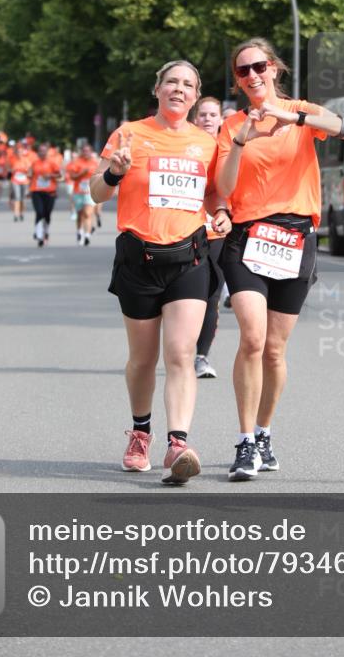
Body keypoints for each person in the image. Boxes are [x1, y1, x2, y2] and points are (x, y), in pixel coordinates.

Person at [216, 37, 344, 481]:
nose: (253, 76)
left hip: (296, 237)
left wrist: (290, 115)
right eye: (243, 71)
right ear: (238, 81)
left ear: (274, 68)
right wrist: (241, 140)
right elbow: (223, 186)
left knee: (275, 351)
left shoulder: (301, 112)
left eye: (258, 66)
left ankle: (263, 433)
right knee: (253, 339)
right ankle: (243, 444)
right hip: (248, 237)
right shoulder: (231, 125)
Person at [90, 60, 231, 485]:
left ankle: (178, 443)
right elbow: (96, 192)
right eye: (172, 81)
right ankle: (140, 432)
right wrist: (115, 170)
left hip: (188, 257)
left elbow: (213, 193)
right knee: (143, 359)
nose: (179, 89)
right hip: (139, 259)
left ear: (195, 95)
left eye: (188, 85)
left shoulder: (207, 143)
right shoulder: (129, 134)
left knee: (181, 354)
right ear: (157, 89)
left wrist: (221, 211)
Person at [192, 96, 226, 379]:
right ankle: (179, 349)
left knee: (212, 294)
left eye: (212, 114)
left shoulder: (228, 149)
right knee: (185, 296)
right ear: (195, 119)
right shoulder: (186, 147)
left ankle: (201, 356)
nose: (207, 119)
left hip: (217, 231)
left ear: (220, 119)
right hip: (186, 231)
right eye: (202, 114)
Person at [28, 142, 62, 246]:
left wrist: (50, 175)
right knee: (39, 212)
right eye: (40, 151)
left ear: (47, 152)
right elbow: (30, 175)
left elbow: (59, 175)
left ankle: (46, 231)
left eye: (44, 151)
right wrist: (28, 190)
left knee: (47, 213)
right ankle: (39, 235)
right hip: (36, 191)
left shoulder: (52, 163)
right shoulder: (34, 163)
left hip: (50, 192)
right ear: (37, 152)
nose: (42, 153)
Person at [65, 142, 99, 245]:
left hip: (90, 192)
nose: (86, 153)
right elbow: (72, 177)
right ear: (81, 152)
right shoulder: (76, 162)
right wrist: (82, 173)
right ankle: (79, 231)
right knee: (80, 214)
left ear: (91, 152)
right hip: (78, 192)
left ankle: (87, 235)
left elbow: (100, 176)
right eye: (84, 151)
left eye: (88, 151)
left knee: (87, 213)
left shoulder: (95, 163)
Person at [8, 141, 33, 222]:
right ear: (16, 152)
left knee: (22, 199)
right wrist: (12, 170)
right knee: (17, 197)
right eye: (18, 152)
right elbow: (8, 169)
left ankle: (21, 213)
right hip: (15, 180)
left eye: (20, 152)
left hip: (24, 181)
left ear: (22, 152)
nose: (19, 153)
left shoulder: (26, 160)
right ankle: (16, 214)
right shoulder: (12, 159)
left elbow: (30, 171)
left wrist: (25, 171)